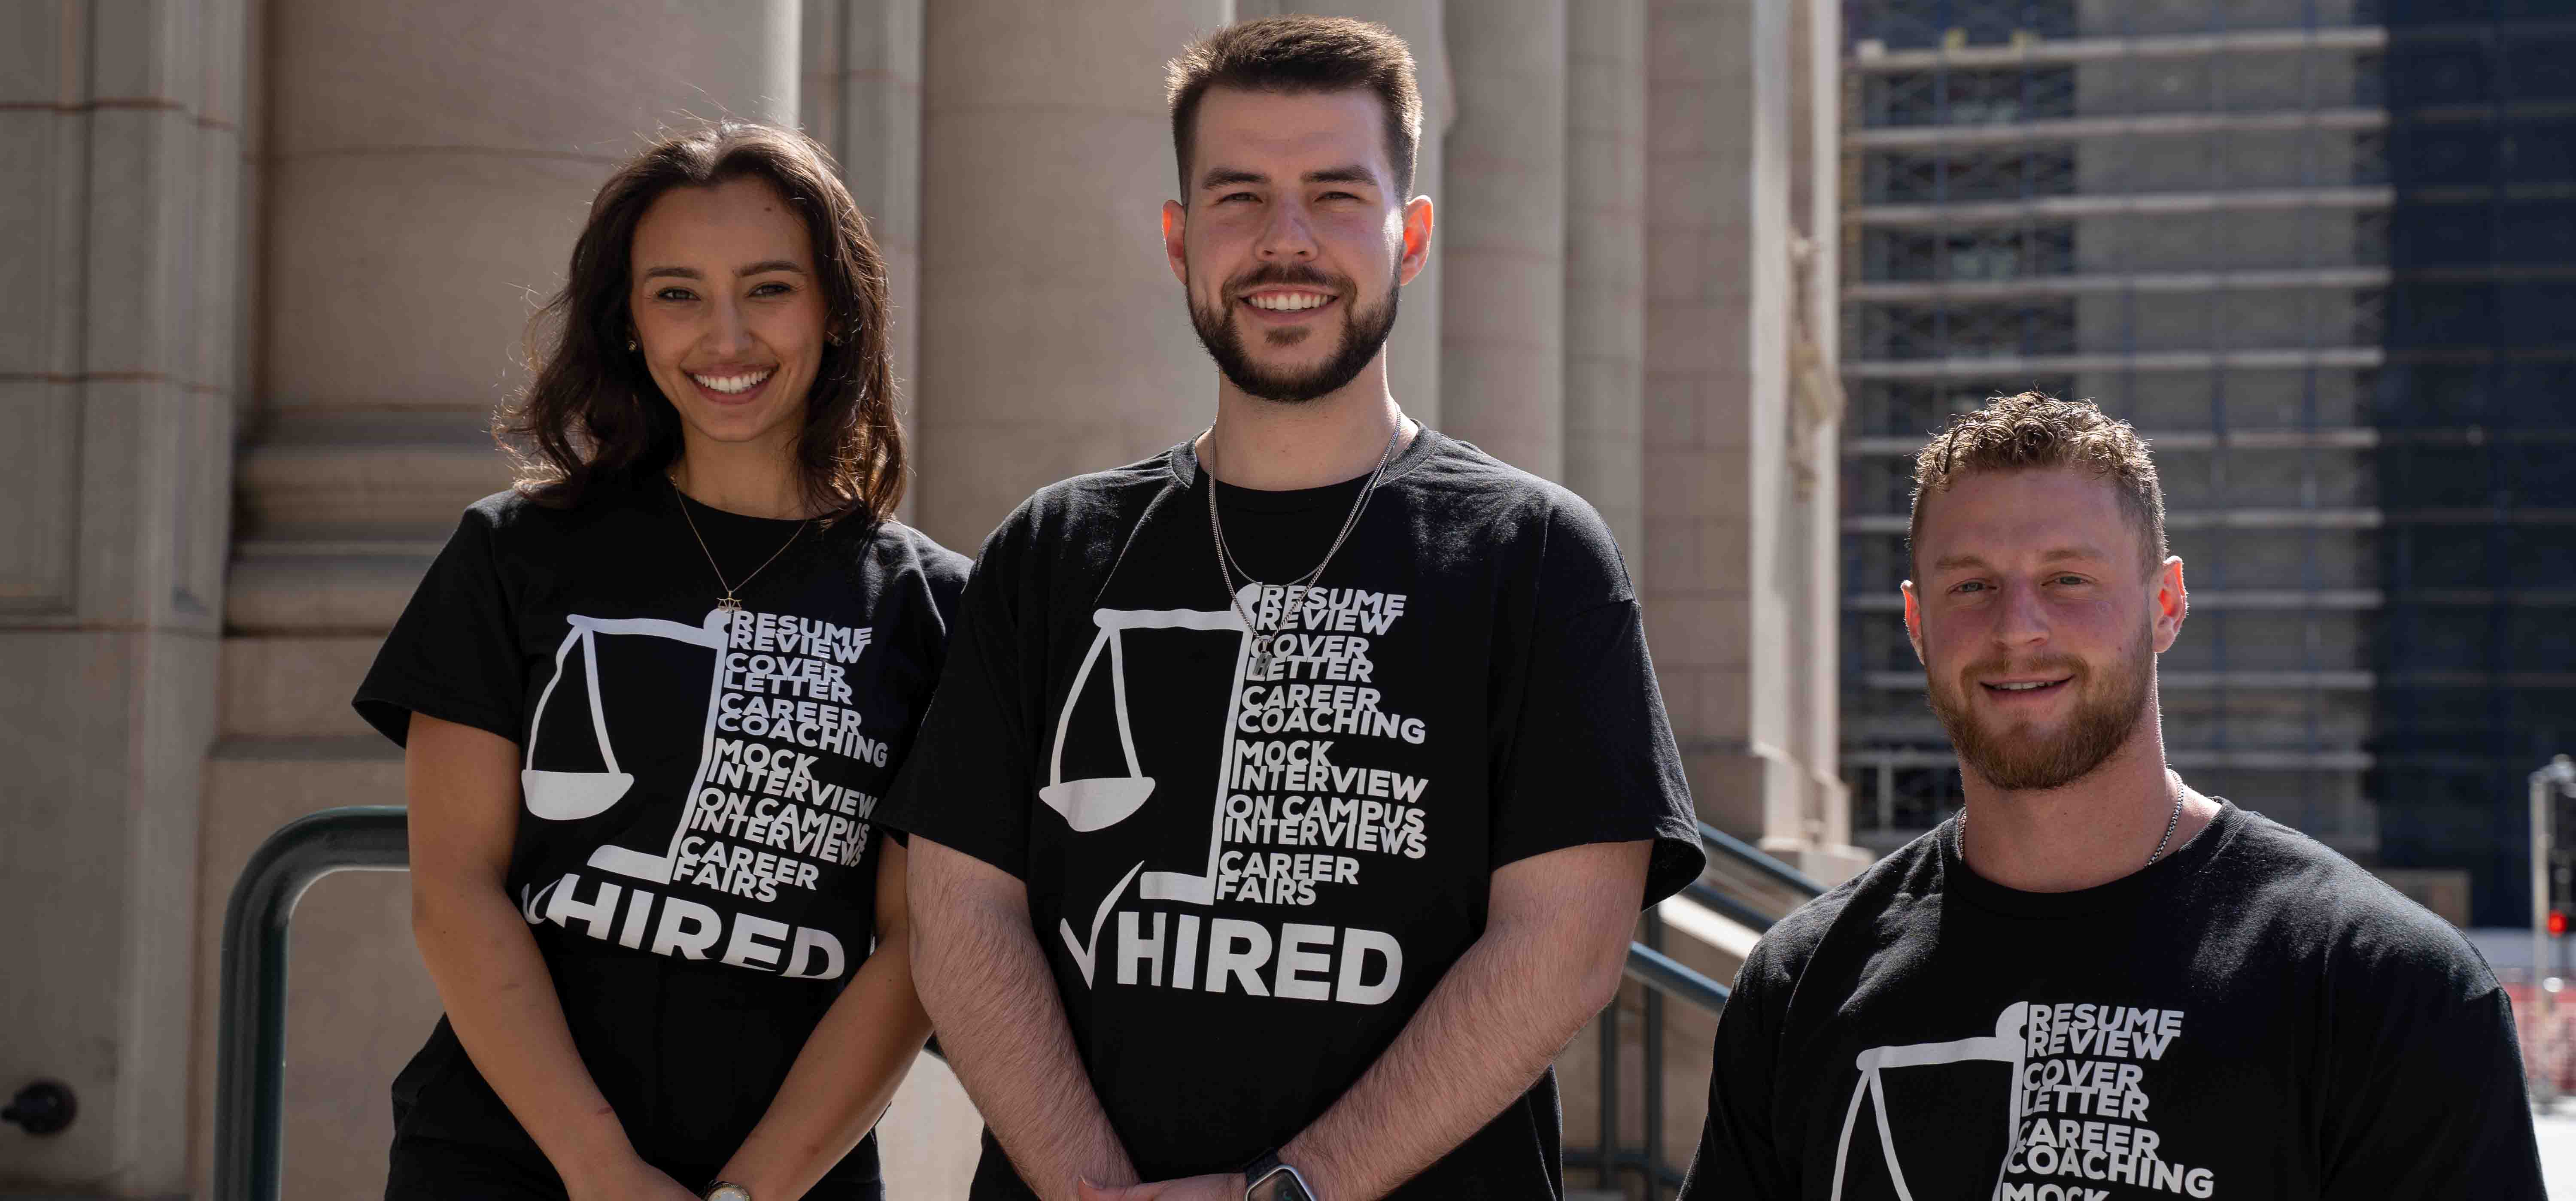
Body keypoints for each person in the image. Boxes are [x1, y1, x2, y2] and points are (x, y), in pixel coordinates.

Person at [869, 16, 1706, 1201]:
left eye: (1336, 195)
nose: (1286, 240)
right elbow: (961, 918)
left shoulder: (1537, 555)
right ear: (1179, 240)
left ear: (1412, 236)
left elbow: (1564, 946)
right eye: (1240, 197)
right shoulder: (1052, 551)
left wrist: (1287, 1190)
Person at [1679, 393, 2547, 1199]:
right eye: (1971, 585)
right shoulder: (1798, 985)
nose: (2018, 628)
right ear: (1916, 623)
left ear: (2165, 603)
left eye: (2068, 579)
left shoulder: (2387, 990)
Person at [353, 121, 963, 1201]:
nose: (725, 337)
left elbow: (917, 945)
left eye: (769, 288)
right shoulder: (512, 553)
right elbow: (455, 890)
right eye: (677, 293)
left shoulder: (934, 607)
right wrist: (602, 1171)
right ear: (628, 323)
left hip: (792, 1178)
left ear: (837, 310)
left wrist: (747, 1194)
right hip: (506, 1160)